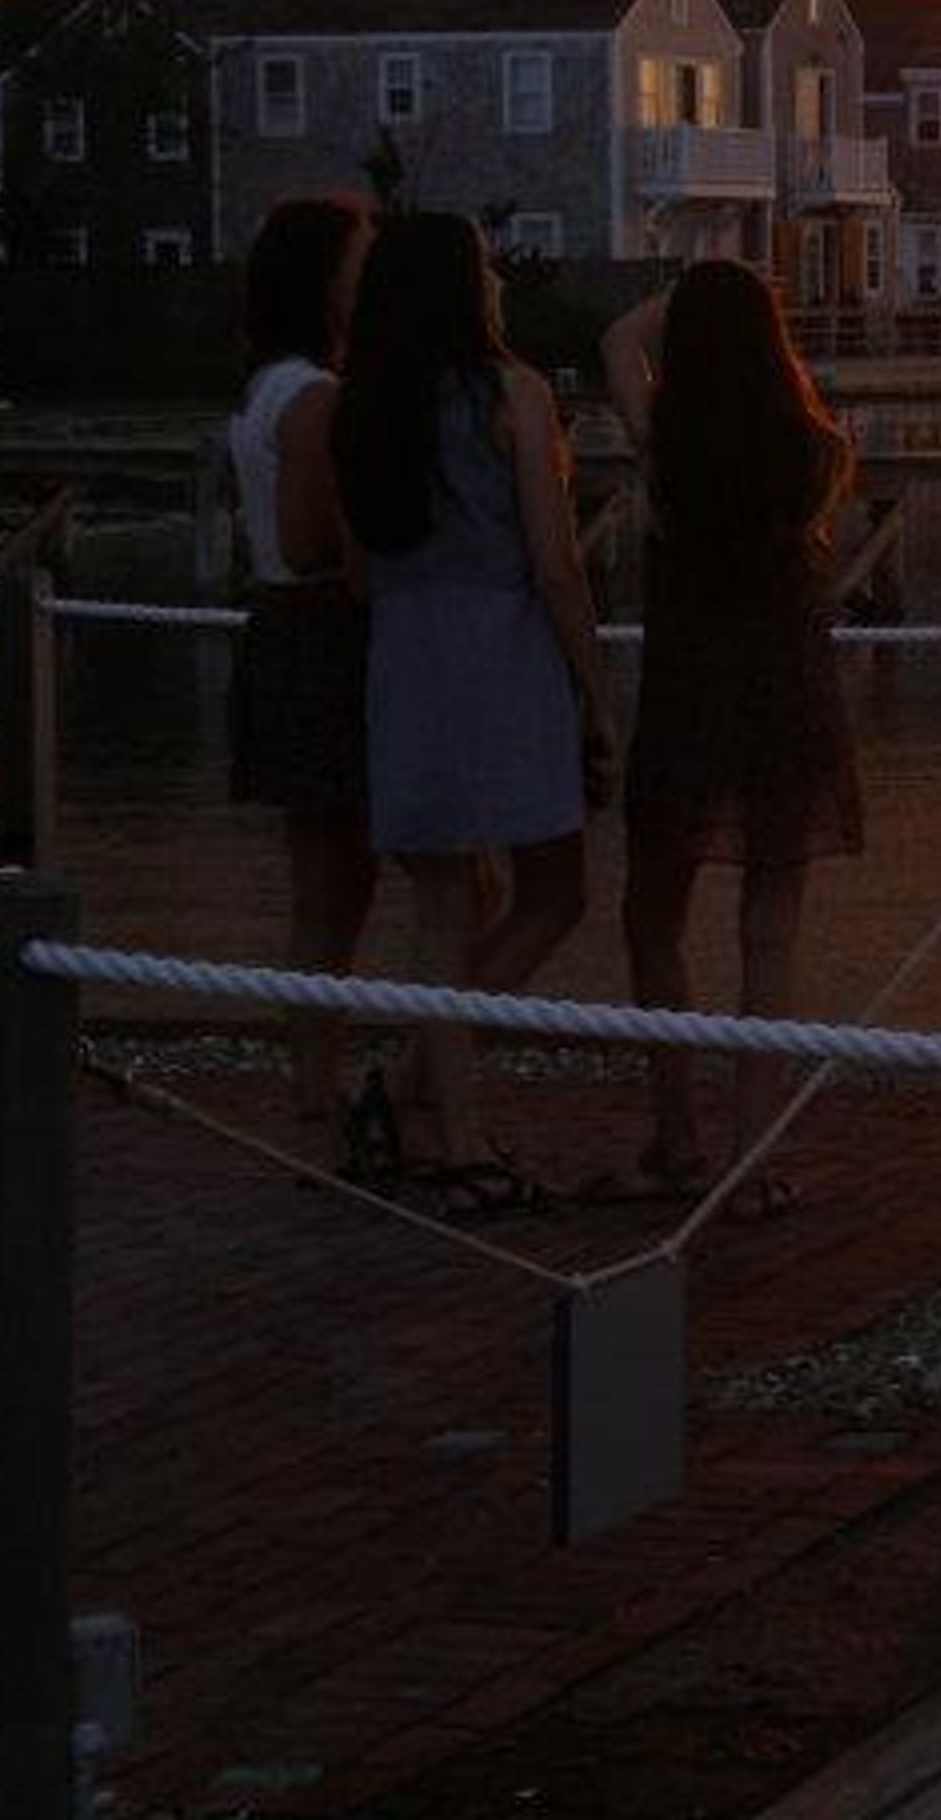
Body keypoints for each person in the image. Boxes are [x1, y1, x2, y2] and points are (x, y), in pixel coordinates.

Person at [329, 211, 617, 1194]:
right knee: (556, 891)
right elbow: (557, 564)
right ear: (464, 289)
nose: (497, 284)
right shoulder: (515, 394)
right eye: (486, 271)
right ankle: (448, 1123)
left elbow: (359, 577)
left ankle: (434, 1110)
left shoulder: (360, 410)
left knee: (440, 906)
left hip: (405, 659)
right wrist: (598, 695)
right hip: (502, 653)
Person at [601, 261, 862, 1202]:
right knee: (769, 937)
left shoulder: (667, 450)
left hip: (687, 701)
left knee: (652, 918)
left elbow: (615, 344)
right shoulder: (813, 451)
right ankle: (755, 1165)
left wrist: (687, 295)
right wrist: (743, 300)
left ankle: (677, 1136)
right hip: (788, 700)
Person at [225, 196, 377, 1146]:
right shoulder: (315, 397)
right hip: (320, 636)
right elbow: (311, 539)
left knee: (321, 881)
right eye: (360, 262)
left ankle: (316, 1080)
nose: (372, 277)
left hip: (276, 629)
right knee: (336, 882)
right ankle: (326, 1088)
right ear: (326, 281)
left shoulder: (262, 388)